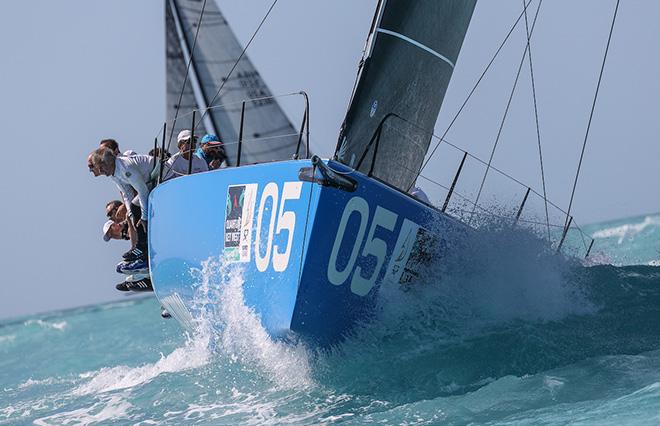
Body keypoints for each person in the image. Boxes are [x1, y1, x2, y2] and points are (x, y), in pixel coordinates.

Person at [88, 147, 153, 268]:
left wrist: (144, 217)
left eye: (101, 167)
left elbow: (142, 191)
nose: (100, 171)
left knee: (136, 209)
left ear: (109, 161)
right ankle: (142, 251)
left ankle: (142, 250)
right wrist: (131, 214)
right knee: (133, 210)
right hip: (150, 182)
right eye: (98, 168)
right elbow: (127, 194)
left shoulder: (124, 167)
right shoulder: (114, 174)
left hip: (161, 175)